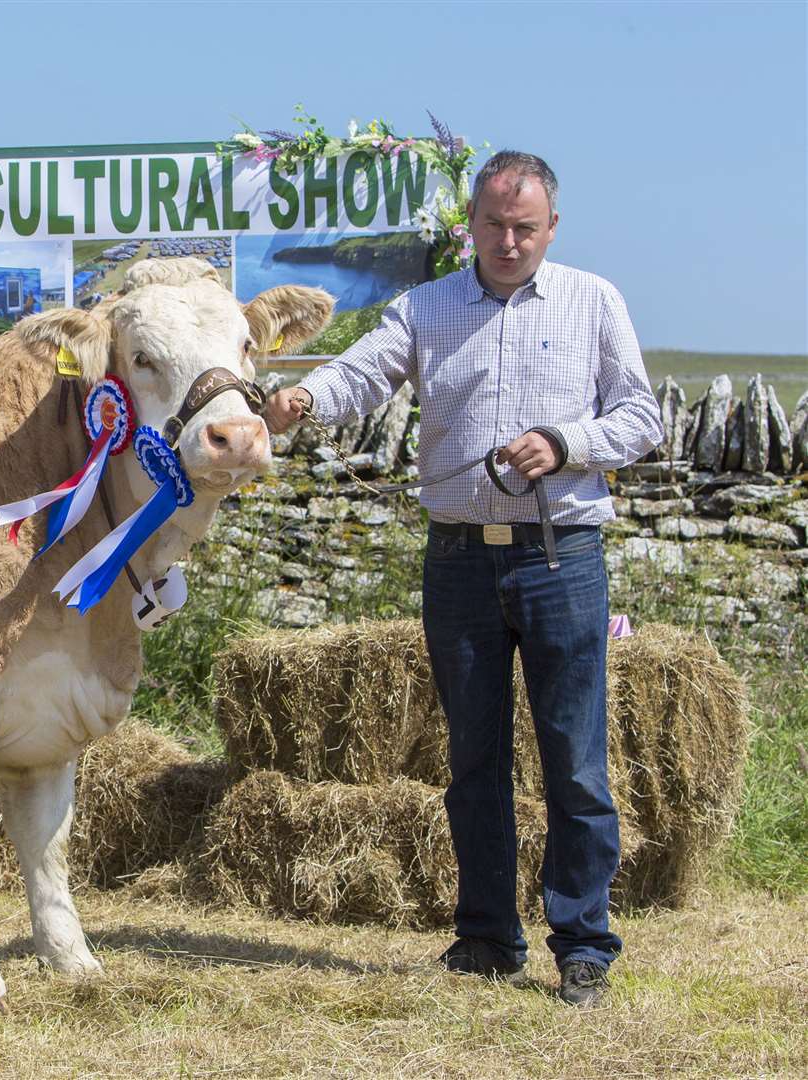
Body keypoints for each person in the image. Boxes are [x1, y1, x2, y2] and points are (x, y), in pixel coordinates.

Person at [264, 150, 662, 1008]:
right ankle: (487, 937)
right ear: (471, 226)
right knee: (472, 759)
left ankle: (583, 943)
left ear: (551, 227)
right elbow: (361, 369)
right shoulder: (426, 307)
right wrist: (306, 401)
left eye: (525, 227)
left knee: (575, 759)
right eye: (495, 225)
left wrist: (564, 444)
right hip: (457, 564)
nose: (509, 241)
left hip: (562, 557)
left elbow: (640, 417)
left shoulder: (596, 301)